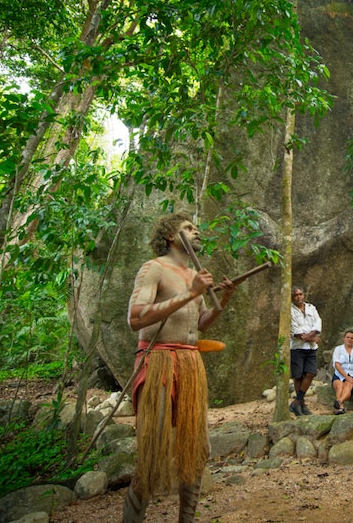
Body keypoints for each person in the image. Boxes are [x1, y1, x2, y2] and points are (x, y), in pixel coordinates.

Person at [123, 212, 238, 523]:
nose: (196, 232)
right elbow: (136, 319)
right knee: (151, 452)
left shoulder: (193, 276)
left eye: (197, 227)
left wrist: (222, 299)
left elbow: (199, 324)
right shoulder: (154, 269)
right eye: (189, 228)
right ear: (171, 236)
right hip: (158, 361)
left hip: (190, 363)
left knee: (195, 450)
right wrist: (191, 293)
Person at [290, 286, 321, 416]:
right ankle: (301, 405)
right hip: (297, 347)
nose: (299, 297)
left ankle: (296, 402)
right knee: (298, 376)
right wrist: (311, 338)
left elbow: (317, 322)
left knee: (311, 373)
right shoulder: (290, 311)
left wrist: (311, 335)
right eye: (296, 295)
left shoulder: (311, 308)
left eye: (300, 294)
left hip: (311, 348)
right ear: (292, 297)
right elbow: (294, 330)